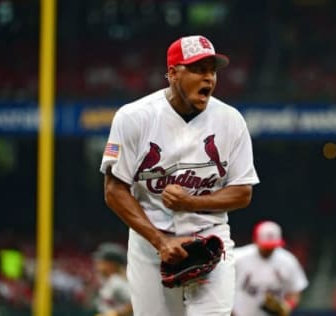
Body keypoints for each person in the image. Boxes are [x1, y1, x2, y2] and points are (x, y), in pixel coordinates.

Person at [100, 35, 260, 316]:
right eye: (198, 69)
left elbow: (243, 192)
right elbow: (114, 190)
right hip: (150, 244)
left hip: (210, 240)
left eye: (212, 70)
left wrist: (192, 203)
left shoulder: (230, 120)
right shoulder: (133, 117)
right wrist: (161, 242)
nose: (208, 78)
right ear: (173, 74)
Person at [232, 221, 308, 316]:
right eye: (266, 246)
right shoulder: (238, 257)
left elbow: (295, 290)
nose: (269, 249)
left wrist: (288, 306)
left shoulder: (288, 261)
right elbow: (222, 285)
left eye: (272, 246)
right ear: (255, 240)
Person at [93, 243, 133, 316]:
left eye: (101, 261)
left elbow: (135, 303)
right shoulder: (108, 280)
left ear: (112, 264)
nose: (97, 263)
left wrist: (116, 313)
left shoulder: (117, 281)